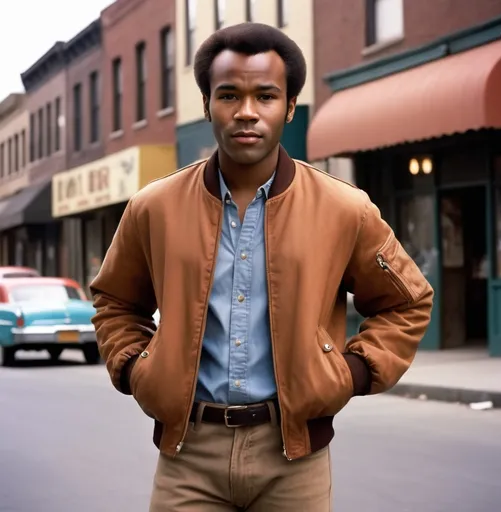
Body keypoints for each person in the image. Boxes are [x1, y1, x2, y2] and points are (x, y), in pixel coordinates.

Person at [90, 22, 434, 512]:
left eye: (266, 96)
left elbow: (408, 300)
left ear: (289, 106)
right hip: (188, 454)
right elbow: (116, 300)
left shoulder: (344, 209)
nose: (246, 112)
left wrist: (350, 373)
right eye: (228, 95)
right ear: (208, 105)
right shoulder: (153, 208)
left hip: (295, 459)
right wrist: (135, 369)